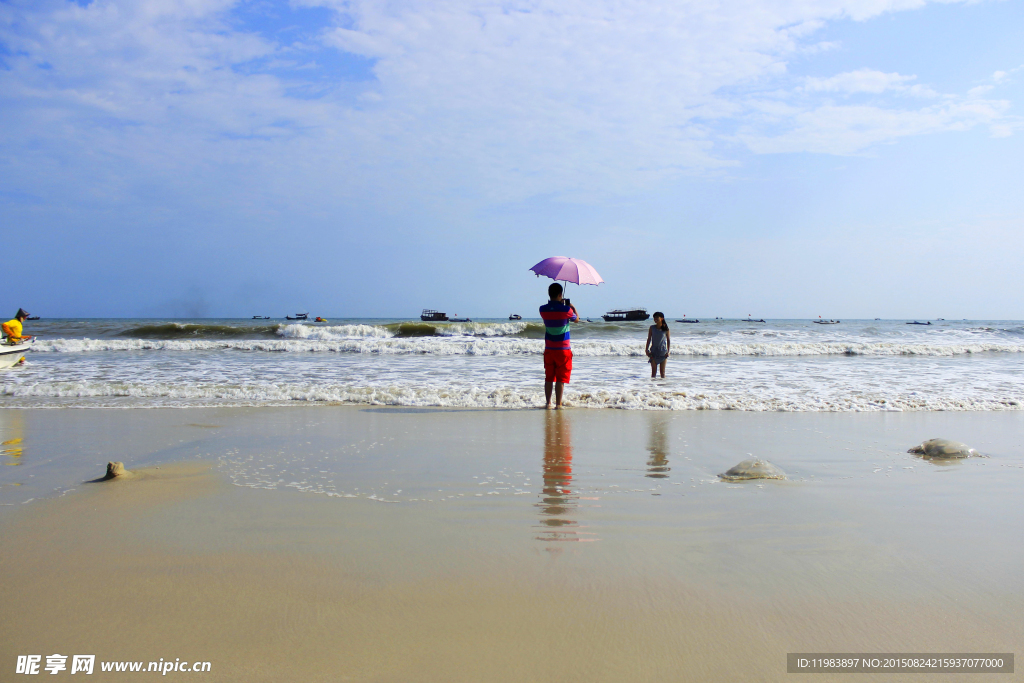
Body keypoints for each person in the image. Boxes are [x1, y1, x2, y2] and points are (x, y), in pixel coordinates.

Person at [539, 283, 578, 409]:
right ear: (561, 295)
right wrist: (572, 306)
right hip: (563, 349)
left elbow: (553, 312)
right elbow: (576, 319)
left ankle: (548, 403)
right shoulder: (566, 310)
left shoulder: (542, 309)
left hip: (549, 349)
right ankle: (558, 404)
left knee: (549, 377)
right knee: (561, 378)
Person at [645, 311, 670, 378]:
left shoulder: (666, 329)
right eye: (654, 317)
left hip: (663, 352)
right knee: (653, 373)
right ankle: (652, 387)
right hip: (653, 352)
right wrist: (646, 350)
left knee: (662, 373)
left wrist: (668, 351)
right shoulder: (652, 328)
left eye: (657, 317)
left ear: (662, 318)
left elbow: (668, 340)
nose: (655, 319)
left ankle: (663, 388)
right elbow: (649, 339)